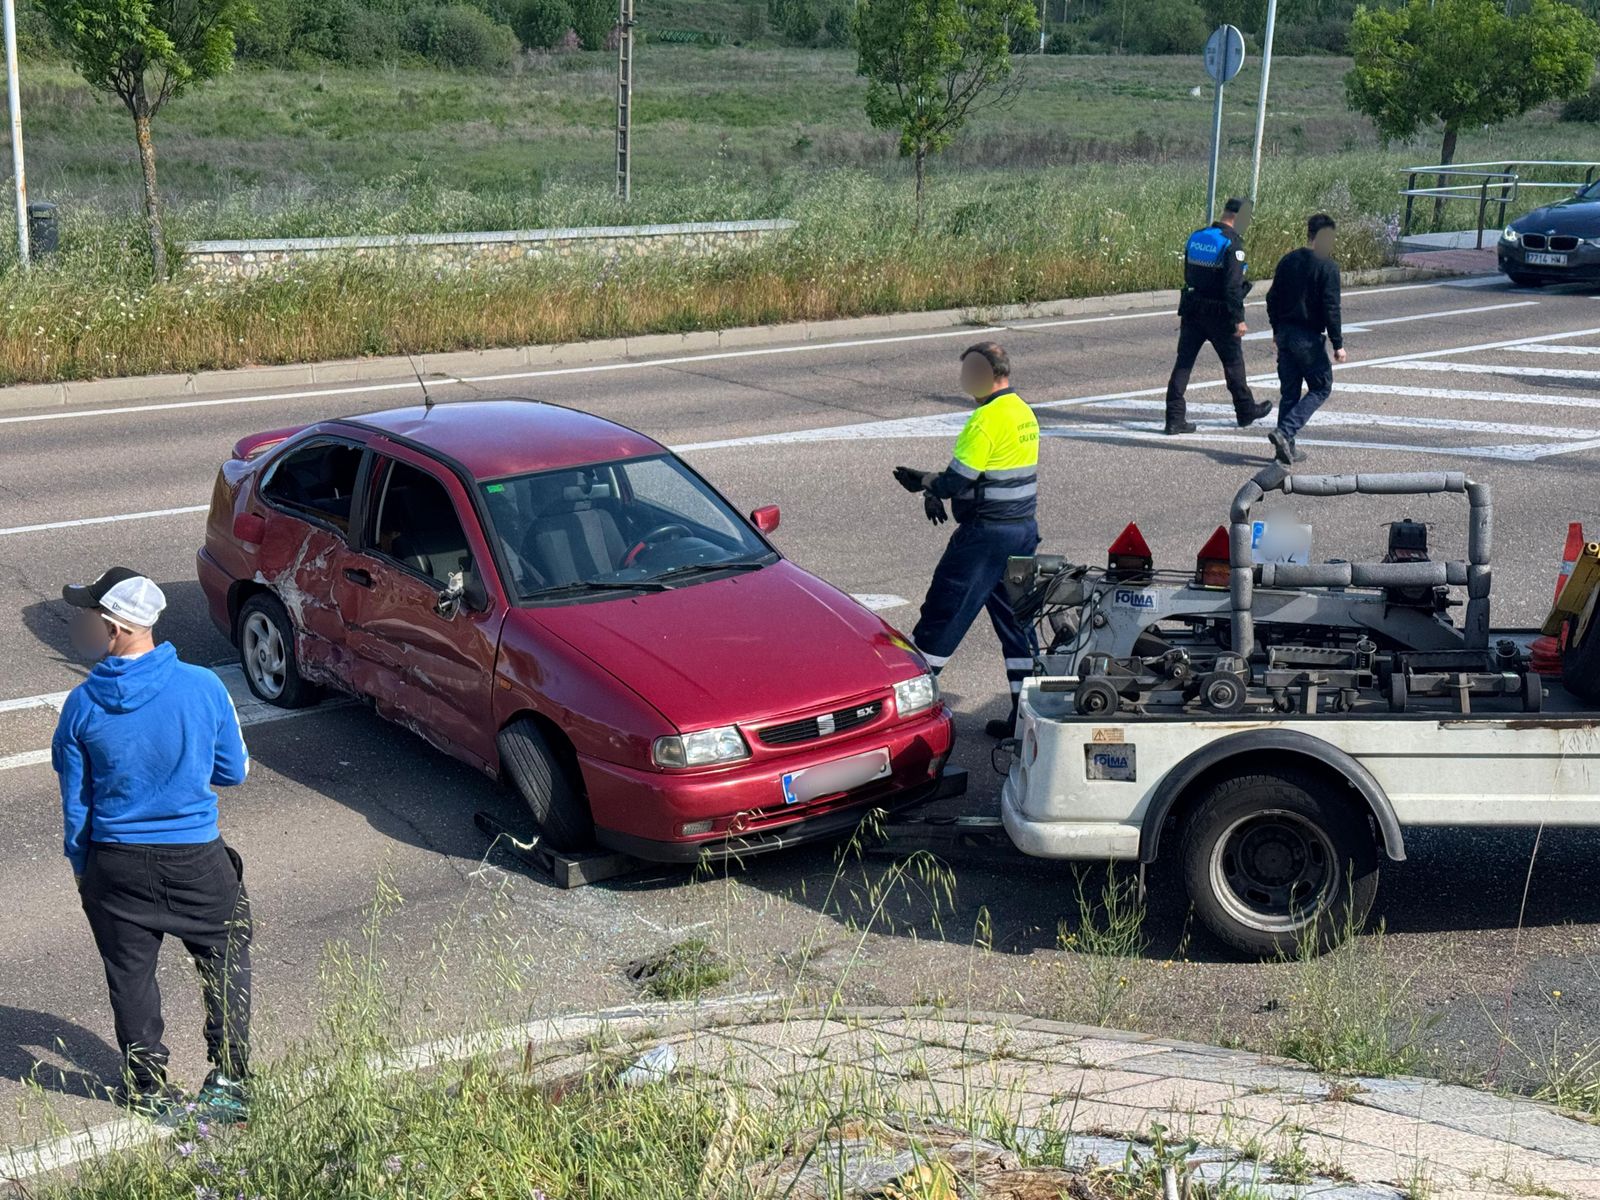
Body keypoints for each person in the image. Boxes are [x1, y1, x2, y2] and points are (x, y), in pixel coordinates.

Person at [52, 568, 254, 1121]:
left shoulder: (80, 707)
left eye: (90, 616)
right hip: (196, 859)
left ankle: (146, 1086)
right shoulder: (204, 687)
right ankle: (232, 1081)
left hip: (115, 863)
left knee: (130, 975)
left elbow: (78, 806)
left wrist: (82, 869)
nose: (83, 626)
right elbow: (233, 771)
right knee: (225, 955)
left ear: (113, 628)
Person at [893, 343, 1040, 739]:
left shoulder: (984, 421)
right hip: (1022, 531)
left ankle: (908, 718)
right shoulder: (1022, 412)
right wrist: (934, 484)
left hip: (984, 537)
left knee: (943, 614)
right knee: (1017, 624)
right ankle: (1024, 719)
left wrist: (925, 483)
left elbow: (959, 480)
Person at [1163, 197, 1273, 436]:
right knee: (1233, 363)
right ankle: (1245, 410)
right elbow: (1233, 287)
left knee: (1184, 363)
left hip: (1193, 309)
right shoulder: (1232, 243)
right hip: (1220, 314)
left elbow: (1189, 274)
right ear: (1238, 217)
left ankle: (1174, 418)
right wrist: (1238, 318)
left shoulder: (1197, 236)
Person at [1265, 212, 1347, 465]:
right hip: (1308, 337)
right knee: (1321, 387)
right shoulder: (1327, 267)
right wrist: (1338, 344)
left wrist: (1276, 329)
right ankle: (1285, 432)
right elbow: (1331, 307)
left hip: (1285, 333)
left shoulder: (1288, 260)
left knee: (1289, 391)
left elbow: (1271, 298)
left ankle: (1285, 449)